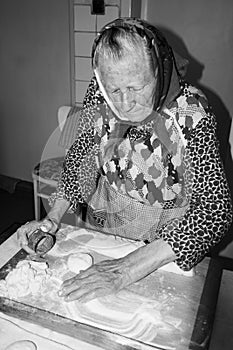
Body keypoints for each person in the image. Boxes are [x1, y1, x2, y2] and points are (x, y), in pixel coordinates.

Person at [17, 18, 232, 303]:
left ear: (161, 70)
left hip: (165, 242)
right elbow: (82, 154)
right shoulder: (100, 91)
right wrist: (52, 217)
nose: (125, 103)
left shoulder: (193, 114)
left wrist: (125, 271)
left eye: (137, 87)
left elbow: (215, 211)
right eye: (114, 90)